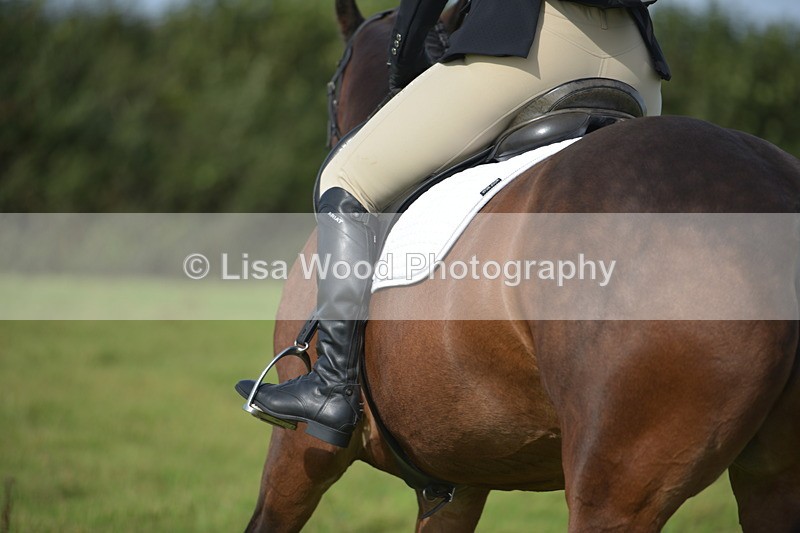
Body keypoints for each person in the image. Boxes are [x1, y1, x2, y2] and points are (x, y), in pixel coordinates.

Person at [240, 0, 670, 448]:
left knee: (345, 176)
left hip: (533, 45)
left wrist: (404, 64)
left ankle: (329, 385)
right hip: (636, 65)